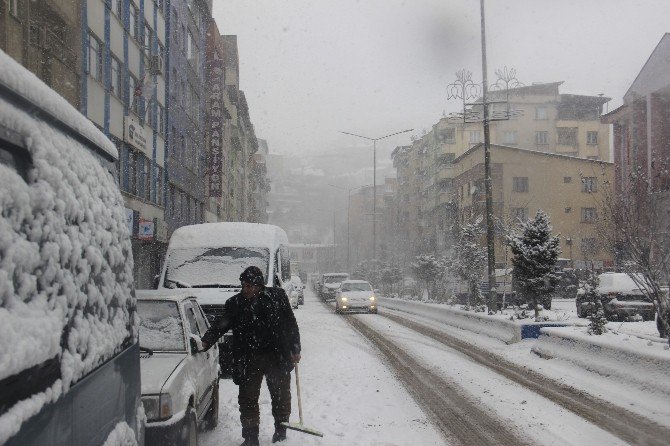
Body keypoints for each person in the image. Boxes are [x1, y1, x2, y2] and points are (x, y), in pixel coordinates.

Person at [201, 266, 301, 446]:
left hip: (276, 356)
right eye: (243, 285)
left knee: (281, 397)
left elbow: (290, 323)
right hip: (249, 358)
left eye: (249, 286)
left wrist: (295, 347)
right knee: (247, 399)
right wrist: (206, 340)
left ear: (259, 285)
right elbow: (221, 324)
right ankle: (250, 438)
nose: (245, 289)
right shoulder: (235, 304)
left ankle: (280, 432)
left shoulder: (277, 297)